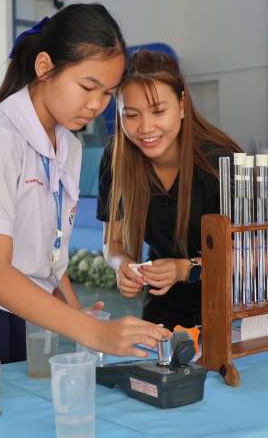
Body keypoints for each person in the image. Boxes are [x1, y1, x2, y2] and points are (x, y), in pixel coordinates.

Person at [0, 3, 170, 370]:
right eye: (87, 86)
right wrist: (94, 333)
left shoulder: (69, 147)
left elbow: (50, 257)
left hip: (24, 314)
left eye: (108, 93)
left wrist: (78, 314)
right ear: (45, 67)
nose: (96, 105)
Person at [98, 50, 242, 331]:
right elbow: (113, 242)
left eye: (158, 111)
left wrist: (185, 268)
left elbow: (254, 255)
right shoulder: (117, 159)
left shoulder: (221, 163)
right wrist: (122, 265)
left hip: (230, 299)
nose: (145, 127)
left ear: (182, 105)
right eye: (131, 115)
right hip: (164, 299)